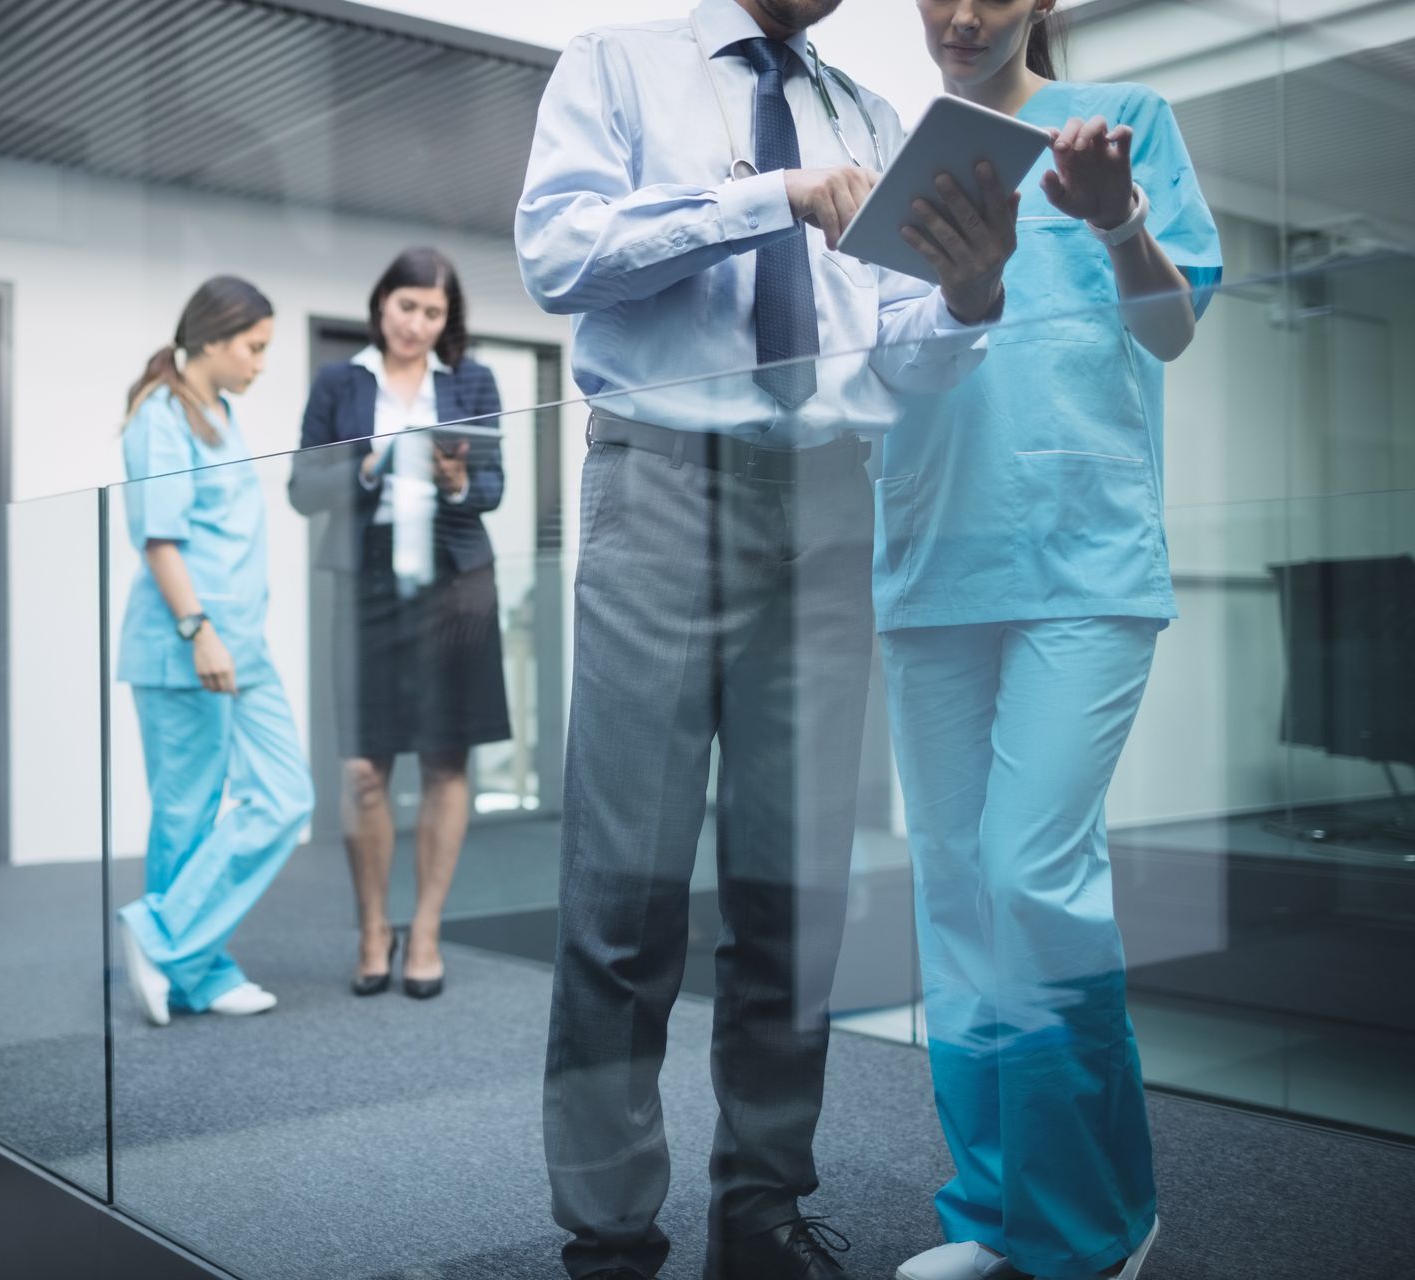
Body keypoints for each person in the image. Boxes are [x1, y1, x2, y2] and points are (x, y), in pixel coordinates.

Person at [516, 0, 1020, 1275]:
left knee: (794, 893)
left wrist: (967, 296)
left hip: (827, 494)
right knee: (624, 890)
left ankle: (762, 1207)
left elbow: (901, 354)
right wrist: (772, 197)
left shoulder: (877, 116)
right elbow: (560, 253)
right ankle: (611, 1230)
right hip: (662, 483)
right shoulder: (620, 67)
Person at [877, 4, 1221, 1280]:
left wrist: (1116, 222)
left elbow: (1172, 329)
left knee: (1033, 877)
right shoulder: (890, 145)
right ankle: (993, 1212)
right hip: (929, 560)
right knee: (960, 897)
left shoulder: (1120, 126)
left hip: (1080, 555)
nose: (961, 13)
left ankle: (1095, 1227)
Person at [289, 247, 509, 1001]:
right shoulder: (339, 381)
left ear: (449, 320)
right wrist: (366, 465)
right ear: (381, 302)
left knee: (448, 760)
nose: (416, 323)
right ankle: (373, 926)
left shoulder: (473, 380)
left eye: (433, 312)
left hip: (453, 575)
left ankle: (426, 931)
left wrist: (456, 480)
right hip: (367, 576)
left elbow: (493, 487)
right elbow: (301, 487)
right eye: (406, 306)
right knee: (363, 768)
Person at [114, 276, 315, 1028]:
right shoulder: (160, 417)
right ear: (213, 339)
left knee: (286, 795)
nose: (261, 363)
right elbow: (160, 540)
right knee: (187, 812)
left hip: (243, 642)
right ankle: (193, 970)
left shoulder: (217, 413)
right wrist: (198, 632)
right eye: (255, 347)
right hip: (186, 642)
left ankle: (165, 938)